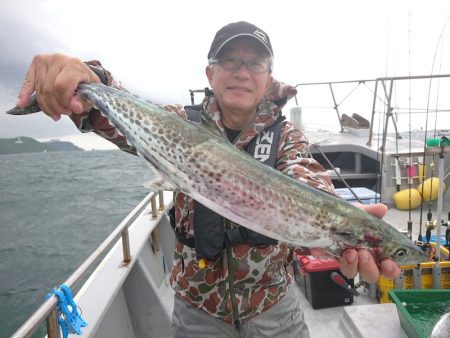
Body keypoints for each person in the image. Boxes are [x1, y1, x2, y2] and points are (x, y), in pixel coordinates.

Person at [16, 21, 400, 337]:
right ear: (210, 73)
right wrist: (89, 77)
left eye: (255, 64)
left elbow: (306, 177)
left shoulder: (288, 137)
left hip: (275, 309)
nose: (242, 72)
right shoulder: (181, 124)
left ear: (269, 78)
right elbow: (122, 111)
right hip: (197, 312)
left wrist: (342, 227)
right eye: (229, 61)